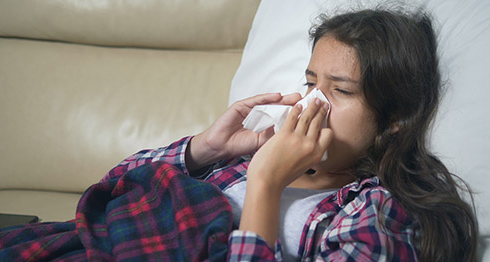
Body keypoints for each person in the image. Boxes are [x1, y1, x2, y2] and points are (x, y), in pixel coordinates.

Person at [105, 8, 478, 262]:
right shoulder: (248, 155)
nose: (313, 102)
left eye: (342, 91)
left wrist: (265, 183)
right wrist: (204, 149)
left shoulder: (374, 212)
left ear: (394, 117)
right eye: (311, 82)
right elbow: (114, 188)